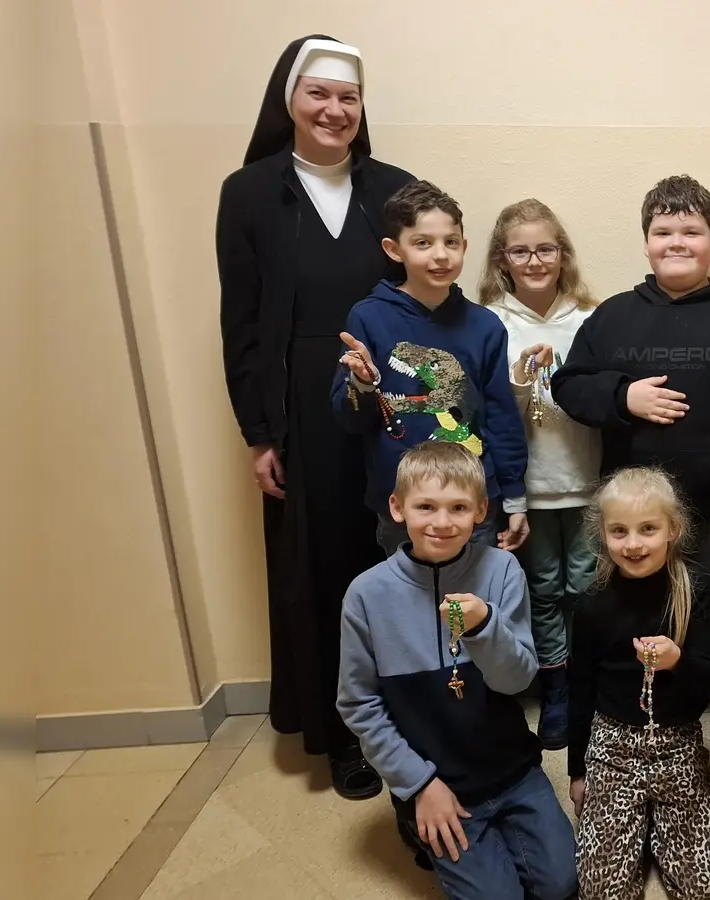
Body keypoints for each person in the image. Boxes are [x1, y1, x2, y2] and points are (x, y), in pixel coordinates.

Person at [216, 34, 414, 798]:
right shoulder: (249, 193)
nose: (335, 109)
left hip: (392, 401)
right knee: (324, 570)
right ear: (290, 100)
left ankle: (412, 711)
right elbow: (241, 323)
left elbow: (427, 292)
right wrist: (258, 432)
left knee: (398, 556)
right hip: (302, 407)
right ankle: (342, 734)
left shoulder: (394, 188)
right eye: (319, 93)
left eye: (348, 96)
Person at [335, 441, 577, 900]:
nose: (442, 522)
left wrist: (484, 627)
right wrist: (419, 784)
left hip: (511, 769)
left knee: (562, 882)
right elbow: (358, 704)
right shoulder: (366, 595)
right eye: (426, 506)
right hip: (434, 778)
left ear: (481, 511)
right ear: (398, 508)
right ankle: (415, 818)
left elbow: (516, 679)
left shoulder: (502, 570)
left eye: (459, 507)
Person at [551, 175, 710, 605]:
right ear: (646, 244)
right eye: (663, 233)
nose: (676, 243)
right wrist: (623, 397)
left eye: (691, 233)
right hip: (634, 520)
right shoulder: (614, 315)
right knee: (637, 622)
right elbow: (568, 386)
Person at [332, 180, 529, 557]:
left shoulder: (485, 326)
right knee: (408, 593)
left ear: (464, 246)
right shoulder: (368, 318)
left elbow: (502, 418)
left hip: (472, 501)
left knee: (475, 591)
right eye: (423, 243)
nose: (440, 255)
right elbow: (348, 418)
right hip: (402, 503)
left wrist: (515, 498)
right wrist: (361, 383)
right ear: (394, 249)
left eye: (450, 242)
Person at [481, 198, 602, 752]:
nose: (534, 261)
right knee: (544, 590)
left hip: (586, 478)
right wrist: (519, 382)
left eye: (545, 249)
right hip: (527, 489)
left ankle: (585, 685)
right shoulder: (490, 322)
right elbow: (486, 411)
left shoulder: (590, 318)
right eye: (521, 251)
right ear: (502, 260)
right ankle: (555, 688)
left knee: (586, 586)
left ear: (563, 255)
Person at [568, 467, 710, 900]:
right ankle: (638, 820)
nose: (633, 544)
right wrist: (578, 770)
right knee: (600, 891)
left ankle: (657, 821)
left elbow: (709, 682)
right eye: (619, 531)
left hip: (677, 741)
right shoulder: (592, 603)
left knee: (701, 888)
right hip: (612, 745)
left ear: (673, 529)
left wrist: (677, 662)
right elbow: (579, 689)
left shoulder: (697, 590)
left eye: (648, 529)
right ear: (603, 534)